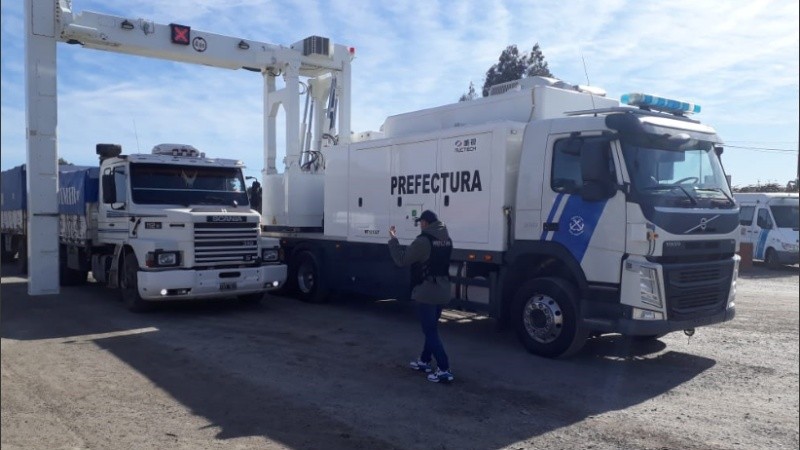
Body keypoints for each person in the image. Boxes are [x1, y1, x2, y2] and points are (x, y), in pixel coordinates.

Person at [387, 210, 454, 383]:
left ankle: (444, 369)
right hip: (443, 289)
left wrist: (393, 240)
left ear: (425, 223)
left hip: (427, 291)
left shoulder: (423, 241)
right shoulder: (446, 239)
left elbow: (401, 260)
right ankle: (424, 361)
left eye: (420, 222)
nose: (419, 225)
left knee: (429, 330)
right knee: (431, 328)